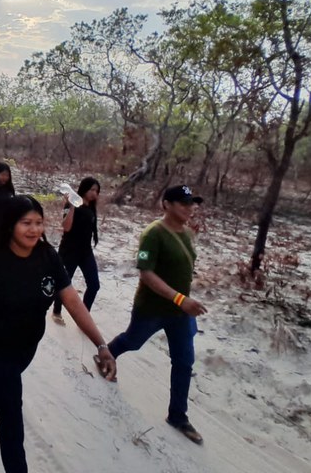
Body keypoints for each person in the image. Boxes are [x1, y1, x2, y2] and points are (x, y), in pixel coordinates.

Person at [0, 195, 116, 473]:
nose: (34, 230)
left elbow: (73, 302)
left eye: (39, 223)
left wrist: (101, 344)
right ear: (10, 225)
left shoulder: (48, 257)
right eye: (26, 223)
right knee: (12, 420)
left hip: (26, 347)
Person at [106, 184, 208, 445]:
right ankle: (107, 353)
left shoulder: (187, 234)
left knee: (184, 361)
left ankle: (178, 416)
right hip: (153, 308)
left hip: (181, 313)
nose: (190, 208)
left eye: (192, 203)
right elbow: (146, 273)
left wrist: (183, 302)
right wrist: (179, 298)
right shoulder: (152, 234)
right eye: (184, 203)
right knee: (132, 341)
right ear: (166, 205)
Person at [51, 177, 102, 325]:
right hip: (69, 251)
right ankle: (56, 311)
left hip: (85, 252)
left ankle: (83, 315)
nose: (94, 194)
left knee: (94, 285)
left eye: (97, 191)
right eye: (92, 189)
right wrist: (71, 205)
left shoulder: (91, 207)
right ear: (84, 188)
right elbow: (66, 227)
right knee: (64, 283)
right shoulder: (71, 203)